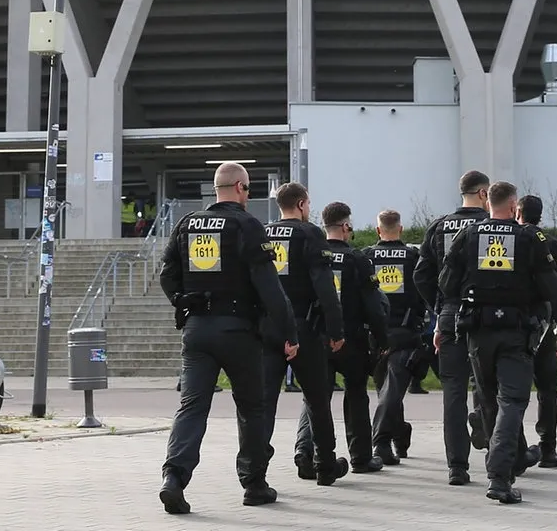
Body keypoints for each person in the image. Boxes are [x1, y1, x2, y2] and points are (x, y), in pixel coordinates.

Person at [158, 162, 298, 515]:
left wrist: (182, 301)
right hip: (238, 331)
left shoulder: (188, 223)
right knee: (252, 408)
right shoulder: (247, 225)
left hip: (197, 331)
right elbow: (270, 287)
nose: (248, 196)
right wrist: (288, 332)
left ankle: (174, 478)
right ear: (238, 187)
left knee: (192, 406)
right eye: (249, 190)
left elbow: (167, 275)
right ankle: (254, 484)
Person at [438, 181, 557, 505]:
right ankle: (499, 477)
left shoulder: (468, 236)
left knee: (488, 401)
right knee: (512, 401)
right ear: (514, 207)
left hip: (477, 333)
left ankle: (503, 467)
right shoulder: (530, 238)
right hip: (516, 332)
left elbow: (446, 282)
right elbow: (553, 287)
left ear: (488, 204)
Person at [263, 181, 348, 486]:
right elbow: (326, 287)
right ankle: (325, 465)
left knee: (263, 403)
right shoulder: (310, 233)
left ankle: (254, 474)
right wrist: (335, 330)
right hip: (304, 327)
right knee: (317, 398)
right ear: (301, 205)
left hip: (267, 328)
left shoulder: (264, 231)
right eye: (308, 204)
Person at [298, 202, 391, 474]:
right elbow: (374, 304)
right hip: (352, 339)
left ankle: (305, 453)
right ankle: (361, 457)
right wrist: (382, 339)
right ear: (346, 226)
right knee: (356, 396)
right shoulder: (357, 259)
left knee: (314, 398)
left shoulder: (311, 254)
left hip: (317, 335)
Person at [414, 169, 493, 486]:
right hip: (485, 317)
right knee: (489, 387)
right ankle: (494, 454)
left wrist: (440, 306)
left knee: (453, 392)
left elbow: (421, 275)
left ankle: (457, 467)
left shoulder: (439, 226)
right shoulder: (492, 228)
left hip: (449, 314)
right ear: (484, 194)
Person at [366, 207, 425, 465]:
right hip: (405, 331)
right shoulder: (414, 257)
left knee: (388, 392)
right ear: (400, 228)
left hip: (375, 334)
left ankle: (380, 444)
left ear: (378, 230)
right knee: (389, 391)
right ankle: (399, 433)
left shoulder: (366, 257)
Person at [517, 194, 557, 469]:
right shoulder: (551, 244)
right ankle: (548, 447)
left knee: (514, 390)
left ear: (518, 212)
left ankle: (517, 446)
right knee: (547, 389)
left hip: (517, 326)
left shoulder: (511, 239)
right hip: (545, 325)